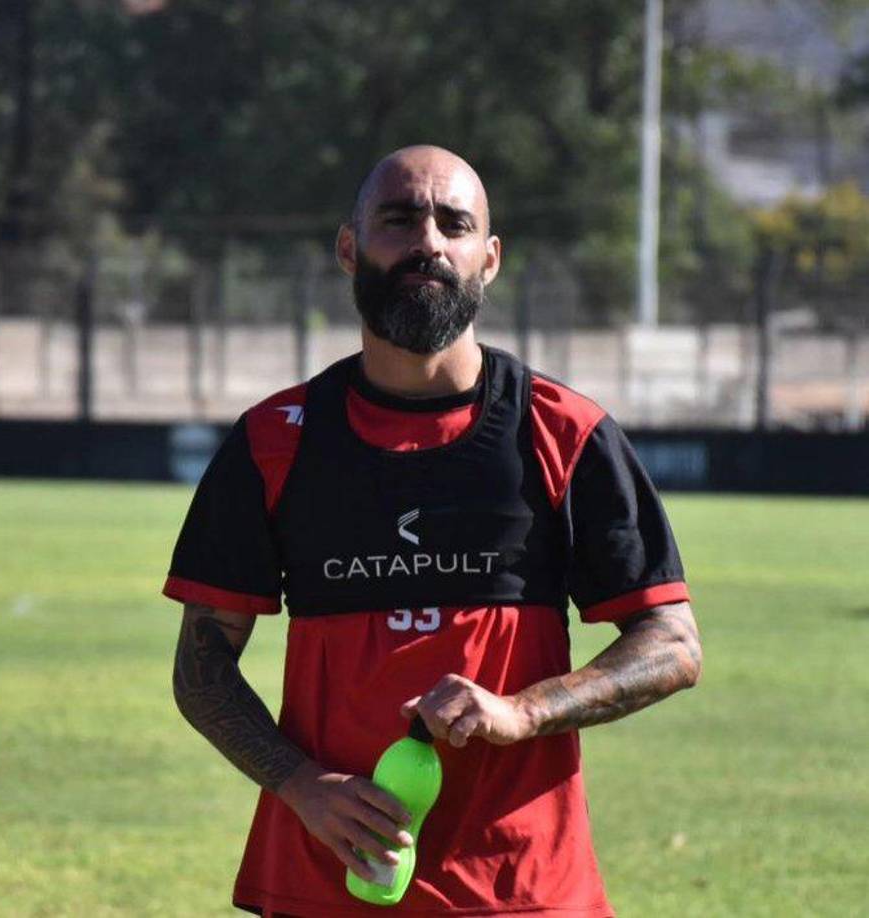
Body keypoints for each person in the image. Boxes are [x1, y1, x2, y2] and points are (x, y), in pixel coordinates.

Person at [163, 145, 702, 918]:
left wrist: (526, 710)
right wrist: (299, 784)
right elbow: (201, 669)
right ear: (349, 248)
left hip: (519, 889)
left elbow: (673, 645)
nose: (428, 242)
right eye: (398, 219)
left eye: (454, 224)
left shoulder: (565, 433)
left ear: (488, 260)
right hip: (323, 883)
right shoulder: (273, 440)